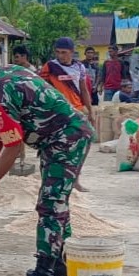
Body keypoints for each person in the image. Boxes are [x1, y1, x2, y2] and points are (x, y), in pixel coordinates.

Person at [0, 56, 93, 276]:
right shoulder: (4, 75)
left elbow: (12, 147)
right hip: (63, 137)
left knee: (51, 205)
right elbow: (10, 133)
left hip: (66, 139)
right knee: (57, 202)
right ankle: (61, 263)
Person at [40, 38, 93, 192]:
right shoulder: (50, 67)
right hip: (57, 112)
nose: (60, 55)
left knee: (85, 141)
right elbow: (42, 88)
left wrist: (90, 110)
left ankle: (76, 178)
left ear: (71, 52)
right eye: (58, 52)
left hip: (77, 110)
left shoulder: (79, 67)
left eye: (64, 52)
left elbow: (84, 90)